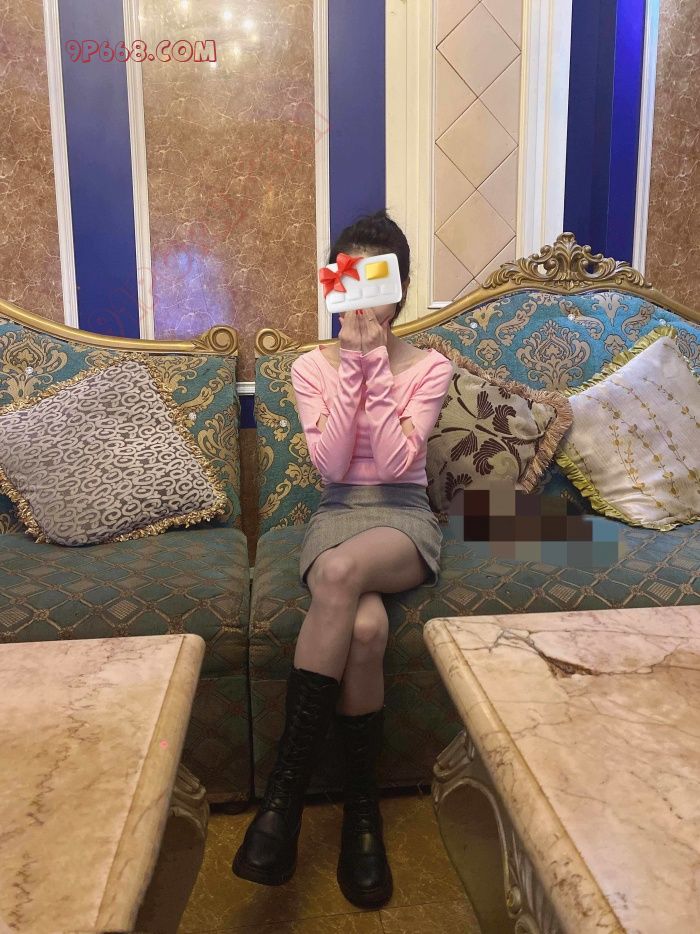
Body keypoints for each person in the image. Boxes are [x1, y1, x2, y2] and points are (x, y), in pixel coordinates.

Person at [232, 210, 454, 908]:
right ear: (333, 283)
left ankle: (283, 802)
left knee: (336, 573)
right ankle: (363, 818)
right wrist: (350, 365)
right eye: (349, 279)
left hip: (403, 517)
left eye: (377, 282)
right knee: (363, 628)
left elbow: (393, 463)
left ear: (400, 291)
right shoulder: (307, 367)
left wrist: (371, 365)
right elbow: (331, 468)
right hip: (337, 514)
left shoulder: (431, 367)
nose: (362, 298)